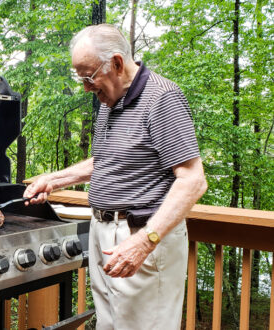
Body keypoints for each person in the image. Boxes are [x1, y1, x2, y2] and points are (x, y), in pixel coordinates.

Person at [23, 24, 207, 329]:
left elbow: (192, 179)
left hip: (142, 236)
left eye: (88, 77)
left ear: (117, 63)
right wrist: (54, 179)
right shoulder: (110, 102)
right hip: (104, 233)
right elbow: (106, 160)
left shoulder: (162, 98)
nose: (85, 88)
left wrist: (144, 242)